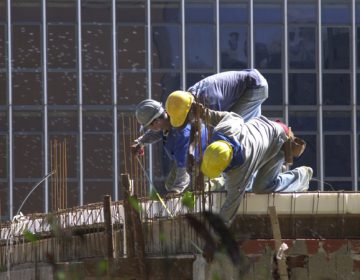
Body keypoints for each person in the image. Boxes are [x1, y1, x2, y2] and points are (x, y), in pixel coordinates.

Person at [165, 93, 311, 225]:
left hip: (279, 141)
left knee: (261, 188)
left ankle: (301, 176)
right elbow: (231, 117)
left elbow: (229, 208)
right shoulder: (223, 131)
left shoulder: (240, 171)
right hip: (264, 129)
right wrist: (204, 113)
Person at [131, 99, 208, 194]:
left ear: (156, 123)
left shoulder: (182, 134)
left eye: (148, 126)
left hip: (199, 161)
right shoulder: (169, 120)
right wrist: (140, 143)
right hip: (184, 158)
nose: (149, 129)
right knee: (170, 184)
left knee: (195, 192)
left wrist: (176, 190)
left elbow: (183, 165)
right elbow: (156, 132)